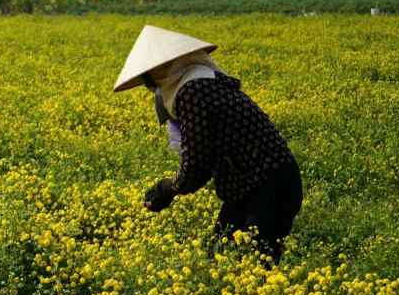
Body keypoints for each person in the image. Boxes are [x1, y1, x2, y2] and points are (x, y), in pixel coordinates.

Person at [114, 26, 303, 263]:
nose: (148, 84)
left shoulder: (193, 90)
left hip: (269, 185)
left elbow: (197, 163)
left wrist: (169, 188)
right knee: (218, 254)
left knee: (258, 263)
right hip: (249, 185)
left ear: (160, 68)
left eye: (147, 76)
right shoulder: (199, 80)